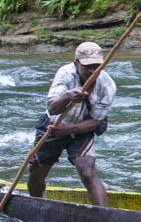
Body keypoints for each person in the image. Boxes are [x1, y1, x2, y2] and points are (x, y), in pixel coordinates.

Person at [27, 41, 116, 207]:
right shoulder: (65, 74)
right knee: (36, 174)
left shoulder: (107, 85)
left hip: (82, 129)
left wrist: (68, 130)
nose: (92, 71)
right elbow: (52, 108)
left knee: (88, 172)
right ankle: (36, 205)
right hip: (53, 127)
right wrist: (67, 96)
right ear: (76, 64)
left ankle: (104, 216)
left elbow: (96, 121)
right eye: (87, 67)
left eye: (96, 66)